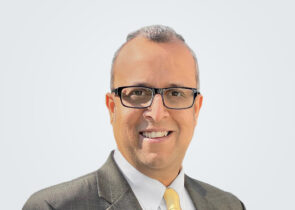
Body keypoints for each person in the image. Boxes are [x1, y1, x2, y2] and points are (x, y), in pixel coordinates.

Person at [23, 25, 245, 210]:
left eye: (176, 93)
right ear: (112, 108)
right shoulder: (54, 207)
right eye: (138, 93)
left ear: (196, 109)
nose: (157, 114)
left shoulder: (229, 206)